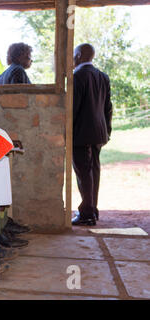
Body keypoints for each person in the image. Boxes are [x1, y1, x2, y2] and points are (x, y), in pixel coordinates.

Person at [71, 43, 112, 226]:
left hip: (81, 134)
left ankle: (87, 213)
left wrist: (66, 131)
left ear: (79, 55)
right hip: (99, 133)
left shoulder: (77, 76)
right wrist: (107, 131)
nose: (72, 58)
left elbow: (73, 108)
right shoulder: (103, 76)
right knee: (94, 171)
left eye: (73, 55)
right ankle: (93, 209)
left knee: (84, 174)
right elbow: (108, 108)